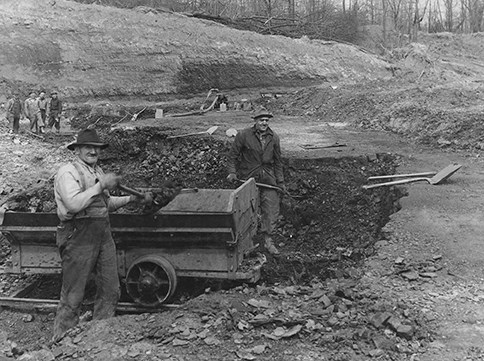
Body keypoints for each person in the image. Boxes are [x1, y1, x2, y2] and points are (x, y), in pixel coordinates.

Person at [52, 128, 152, 342]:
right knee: (73, 294)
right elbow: (73, 204)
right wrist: (100, 186)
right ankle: (61, 341)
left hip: (103, 233)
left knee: (110, 289)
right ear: (77, 149)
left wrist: (131, 199)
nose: (93, 151)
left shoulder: (97, 172)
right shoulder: (67, 172)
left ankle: (97, 338)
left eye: (96, 148)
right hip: (78, 234)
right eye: (88, 147)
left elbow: (106, 205)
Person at [227, 109, 285, 255]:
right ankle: (245, 242)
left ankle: (268, 241)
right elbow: (232, 156)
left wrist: (280, 181)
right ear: (255, 121)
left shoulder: (274, 137)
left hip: (268, 178)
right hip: (248, 178)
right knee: (246, 210)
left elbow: (278, 162)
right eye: (261, 120)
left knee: (271, 209)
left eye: (266, 120)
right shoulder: (243, 135)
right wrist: (232, 172)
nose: (264, 123)